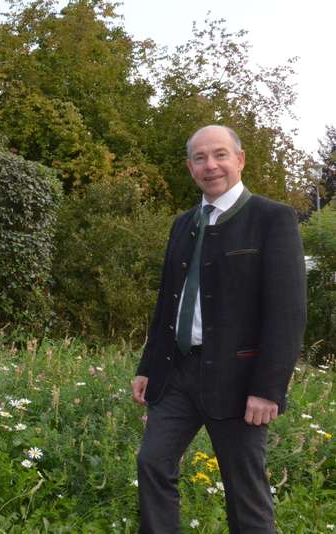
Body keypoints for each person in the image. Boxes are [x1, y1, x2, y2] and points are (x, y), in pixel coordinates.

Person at [131, 125, 306, 533]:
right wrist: (147, 366)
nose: (211, 165)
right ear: (191, 167)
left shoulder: (272, 219)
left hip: (239, 380)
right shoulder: (183, 223)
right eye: (200, 158)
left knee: (244, 490)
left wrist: (268, 388)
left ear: (240, 160)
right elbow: (167, 305)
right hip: (177, 373)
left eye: (220, 155)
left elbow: (288, 313)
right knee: (152, 463)